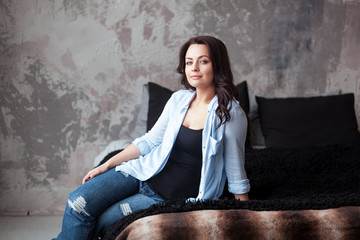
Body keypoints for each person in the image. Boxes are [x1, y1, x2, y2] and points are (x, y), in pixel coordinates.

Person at [53, 35, 250, 240]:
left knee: (101, 223)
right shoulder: (178, 100)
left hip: (167, 198)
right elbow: (149, 141)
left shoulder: (230, 114)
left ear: (217, 65)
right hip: (142, 173)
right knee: (77, 203)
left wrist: (247, 222)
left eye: (203, 61)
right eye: (189, 62)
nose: (194, 68)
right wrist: (107, 165)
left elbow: (236, 174)